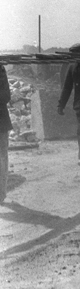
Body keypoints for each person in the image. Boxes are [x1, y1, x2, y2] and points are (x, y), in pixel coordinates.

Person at [0, 63, 11, 202]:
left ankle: (1, 193)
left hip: (0, 121)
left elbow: (5, 96)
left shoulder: (0, 70)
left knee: (1, 157)